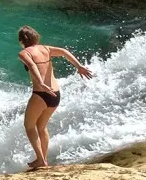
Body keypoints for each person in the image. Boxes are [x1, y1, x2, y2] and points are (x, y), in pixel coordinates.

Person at [17, 25, 93, 170]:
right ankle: (43, 159)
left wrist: (40, 83)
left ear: (21, 40)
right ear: (36, 37)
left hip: (41, 93)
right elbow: (64, 52)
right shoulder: (46, 49)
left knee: (29, 125)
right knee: (41, 126)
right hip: (56, 95)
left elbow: (32, 66)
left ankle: (40, 159)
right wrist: (79, 66)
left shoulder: (24, 53)